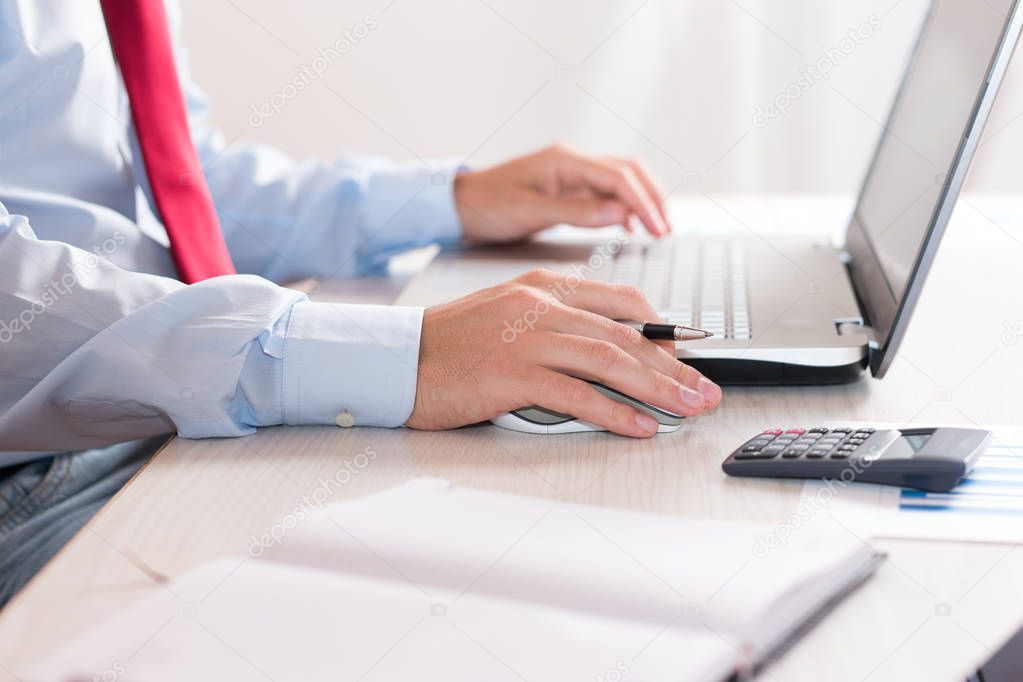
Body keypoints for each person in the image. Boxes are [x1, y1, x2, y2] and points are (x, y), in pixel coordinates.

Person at [0, 1, 721, 607]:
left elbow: (176, 184)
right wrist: (408, 356)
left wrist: (452, 201)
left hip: (145, 418)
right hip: (37, 472)